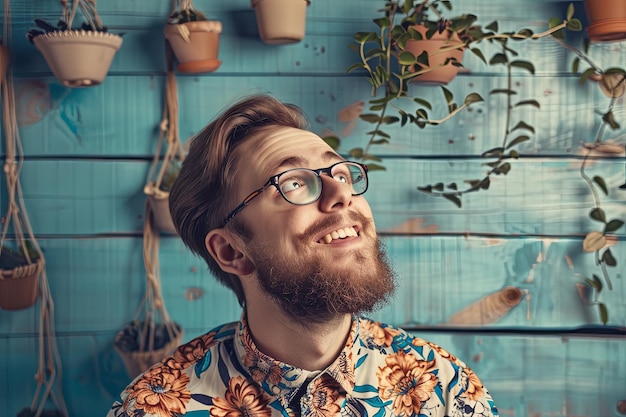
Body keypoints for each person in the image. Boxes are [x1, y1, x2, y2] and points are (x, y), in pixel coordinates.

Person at [106, 94, 499, 417]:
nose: (341, 194)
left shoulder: (444, 389)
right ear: (231, 251)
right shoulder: (154, 408)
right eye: (293, 183)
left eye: (341, 174)